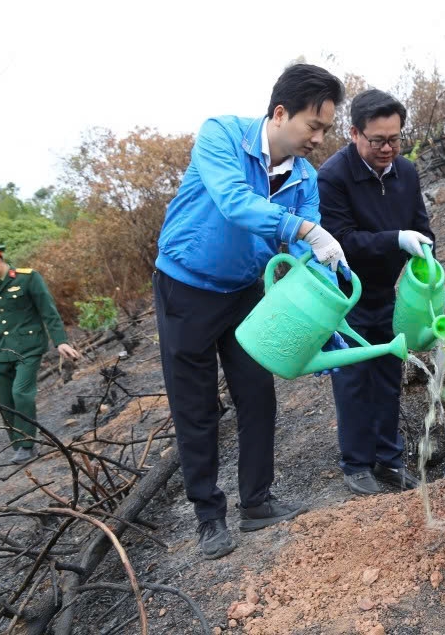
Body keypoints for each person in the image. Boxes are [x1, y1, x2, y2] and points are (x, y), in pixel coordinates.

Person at [153, 63, 347, 559]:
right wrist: (302, 230)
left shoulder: (304, 177)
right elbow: (234, 203)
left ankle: (256, 502)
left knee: (258, 395)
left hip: (245, 291)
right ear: (281, 113)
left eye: (326, 129)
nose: (320, 139)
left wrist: (328, 320)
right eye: (314, 126)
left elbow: (310, 258)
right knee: (195, 406)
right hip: (186, 287)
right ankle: (208, 518)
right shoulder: (222, 136)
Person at [317, 89, 435, 496]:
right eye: (378, 140)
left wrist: (418, 260)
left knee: (388, 373)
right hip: (346, 295)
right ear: (354, 133)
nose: (388, 148)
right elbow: (341, 241)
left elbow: (422, 227)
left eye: (395, 139)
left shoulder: (407, 172)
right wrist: (396, 239)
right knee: (353, 378)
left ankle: (389, 458)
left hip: (391, 293)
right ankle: (356, 463)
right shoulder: (333, 176)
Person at [0, 244, 80, 464]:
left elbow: (49, 312)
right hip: (2, 350)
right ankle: (18, 444)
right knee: (5, 400)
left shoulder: (28, 278)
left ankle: (27, 444)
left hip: (29, 347)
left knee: (21, 393)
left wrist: (60, 342)